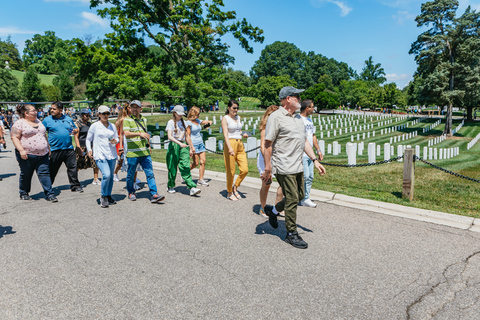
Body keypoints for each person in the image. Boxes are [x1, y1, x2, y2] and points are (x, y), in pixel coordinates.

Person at [262, 86, 326, 249]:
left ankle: (274, 211)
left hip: (298, 164)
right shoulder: (276, 117)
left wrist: (314, 160)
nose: (300, 99)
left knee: (299, 195)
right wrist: (268, 168)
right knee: (291, 198)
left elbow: (305, 141)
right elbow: (268, 143)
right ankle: (291, 233)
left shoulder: (298, 118)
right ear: (288, 99)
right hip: (283, 165)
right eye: (297, 96)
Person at [10, 104, 57, 202]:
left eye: (35, 110)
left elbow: (43, 135)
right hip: (27, 154)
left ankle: (50, 194)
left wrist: (48, 147)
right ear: (26, 113)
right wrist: (21, 150)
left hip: (43, 154)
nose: (36, 112)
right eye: (33, 111)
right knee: (26, 174)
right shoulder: (19, 123)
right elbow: (14, 137)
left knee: (44, 173)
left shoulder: (38, 121)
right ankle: (24, 192)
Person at [123, 99, 164, 203]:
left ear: (141, 109)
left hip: (145, 152)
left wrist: (148, 145)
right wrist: (139, 134)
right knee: (131, 174)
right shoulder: (127, 120)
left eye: (136, 107)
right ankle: (131, 192)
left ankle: (154, 194)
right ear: (130, 108)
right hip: (133, 153)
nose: (134, 109)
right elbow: (127, 133)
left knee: (150, 174)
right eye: (132, 107)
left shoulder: (144, 120)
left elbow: (145, 134)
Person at [43, 101, 83, 192]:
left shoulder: (68, 119)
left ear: (60, 110)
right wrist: (47, 147)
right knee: (53, 170)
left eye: (54, 109)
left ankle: (75, 186)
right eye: (51, 109)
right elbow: (41, 133)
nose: (52, 110)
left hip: (68, 148)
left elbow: (74, 128)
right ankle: (48, 188)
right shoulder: (47, 120)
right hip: (55, 149)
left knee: (72, 167)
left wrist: (75, 130)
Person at [86, 105, 118, 208]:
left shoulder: (112, 126)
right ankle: (103, 196)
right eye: (103, 113)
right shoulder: (95, 126)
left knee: (111, 176)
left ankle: (108, 195)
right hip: (100, 154)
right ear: (99, 114)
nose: (106, 115)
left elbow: (116, 138)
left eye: (107, 113)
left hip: (111, 154)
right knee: (106, 175)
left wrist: (115, 141)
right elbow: (88, 139)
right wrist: (89, 150)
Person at [166, 105, 201, 196]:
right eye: (178, 114)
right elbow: (169, 136)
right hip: (174, 145)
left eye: (181, 114)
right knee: (172, 167)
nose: (180, 115)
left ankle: (191, 187)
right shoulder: (170, 122)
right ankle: (170, 185)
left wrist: (190, 147)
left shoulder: (184, 122)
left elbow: (187, 136)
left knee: (185, 165)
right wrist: (179, 143)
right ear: (174, 113)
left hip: (183, 145)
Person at [258, 105, 284, 217]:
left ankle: (277, 208)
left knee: (283, 183)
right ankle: (263, 208)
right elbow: (263, 147)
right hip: (265, 158)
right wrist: (268, 163)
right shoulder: (265, 128)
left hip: (278, 158)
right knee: (266, 184)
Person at [221, 100, 249, 201]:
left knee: (245, 169)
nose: (236, 110)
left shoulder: (238, 117)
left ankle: (235, 187)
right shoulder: (225, 119)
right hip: (230, 143)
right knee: (231, 170)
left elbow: (238, 130)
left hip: (240, 144)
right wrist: (229, 148)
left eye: (237, 108)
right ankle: (229, 192)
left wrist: (243, 134)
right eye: (234, 108)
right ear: (228, 108)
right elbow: (225, 135)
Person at [299, 99, 324, 208]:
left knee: (310, 177)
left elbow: (313, 136)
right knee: (305, 176)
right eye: (312, 107)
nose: (314, 109)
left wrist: (318, 150)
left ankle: (306, 198)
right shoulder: (298, 120)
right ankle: (301, 197)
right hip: (301, 153)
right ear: (307, 108)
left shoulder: (309, 120)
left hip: (310, 154)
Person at [186, 106, 212, 186]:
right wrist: (191, 146)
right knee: (196, 163)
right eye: (198, 114)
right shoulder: (188, 123)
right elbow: (188, 135)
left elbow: (209, 121)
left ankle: (200, 180)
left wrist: (207, 125)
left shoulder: (198, 121)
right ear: (194, 114)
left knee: (203, 161)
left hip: (201, 143)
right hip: (194, 144)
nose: (199, 115)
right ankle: (185, 172)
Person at [74, 109, 100, 185]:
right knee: (78, 163)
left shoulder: (89, 124)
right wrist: (78, 148)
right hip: (81, 146)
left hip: (91, 146)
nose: (88, 116)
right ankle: (74, 180)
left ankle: (95, 178)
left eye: (89, 115)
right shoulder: (78, 124)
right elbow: (76, 137)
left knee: (95, 162)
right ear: (81, 115)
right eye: (86, 115)